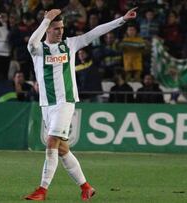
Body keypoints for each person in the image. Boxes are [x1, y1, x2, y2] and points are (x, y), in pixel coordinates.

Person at [24, 8, 138, 201]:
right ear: (47, 30)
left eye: (61, 28)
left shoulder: (70, 45)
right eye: (55, 29)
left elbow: (95, 32)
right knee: (62, 149)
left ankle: (42, 190)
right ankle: (86, 187)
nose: (60, 32)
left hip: (65, 102)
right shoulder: (38, 50)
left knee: (51, 142)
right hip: (47, 104)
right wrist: (45, 21)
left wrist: (122, 19)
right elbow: (31, 42)